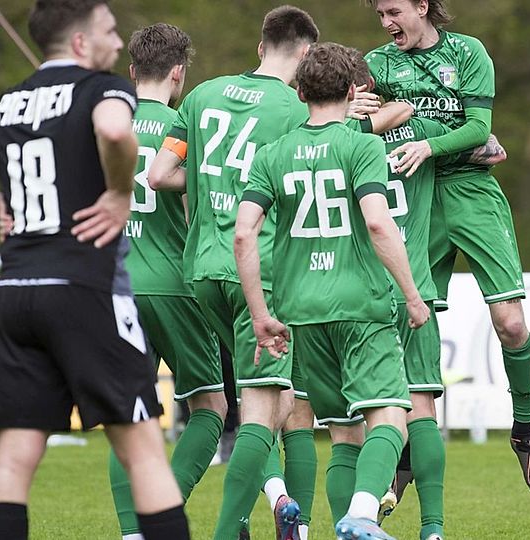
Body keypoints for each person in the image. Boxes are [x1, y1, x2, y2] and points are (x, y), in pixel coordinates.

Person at [0, 2, 189, 539]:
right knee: (145, 452)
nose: (118, 43)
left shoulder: (3, 104)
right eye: (109, 31)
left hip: (15, 293)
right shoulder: (104, 89)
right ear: (80, 42)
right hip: (85, 290)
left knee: (13, 459)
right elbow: (115, 132)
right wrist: (120, 192)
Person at [234, 41, 429, 540]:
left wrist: (260, 314)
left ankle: (350, 525)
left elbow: (244, 234)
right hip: (360, 303)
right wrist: (412, 295)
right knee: (390, 417)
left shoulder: (272, 154)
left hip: (300, 311)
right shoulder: (362, 146)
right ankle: (361, 513)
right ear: (351, 91)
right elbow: (379, 224)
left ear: (300, 92)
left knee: (343, 432)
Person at [364, 0, 530, 495]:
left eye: (393, 11)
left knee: (510, 323)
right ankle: (409, 447)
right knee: (413, 315)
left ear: (422, 6)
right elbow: (357, 122)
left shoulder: (467, 52)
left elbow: (477, 128)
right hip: (415, 195)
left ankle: (524, 429)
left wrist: (429, 143)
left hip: (471, 190)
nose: (386, 23)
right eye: (380, 14)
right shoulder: (377, 63)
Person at [148, 6, 319, 539]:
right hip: (260, 273)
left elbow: (159, 174)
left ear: (260, 47)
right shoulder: (295, 108)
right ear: (307, 55)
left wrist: (210, 180)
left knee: (268, 398)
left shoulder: (202, 95)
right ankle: (237, 527)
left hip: (202, 270)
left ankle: (270, 510)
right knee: (274, 407)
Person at [105, 23, 227, 540]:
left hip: (116, 285)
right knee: (210, 408)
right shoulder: (187, 125)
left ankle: (132, 532)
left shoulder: (107, 126)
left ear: (132, 71)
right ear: (179, 73)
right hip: (175, 283)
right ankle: (162, 515)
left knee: (127, 417)